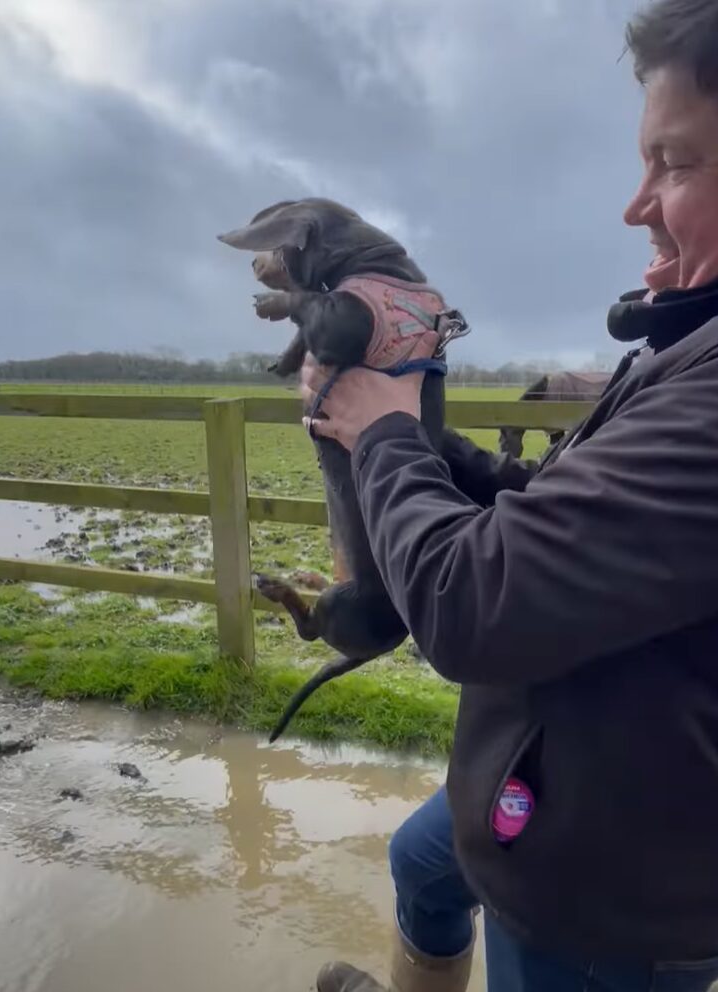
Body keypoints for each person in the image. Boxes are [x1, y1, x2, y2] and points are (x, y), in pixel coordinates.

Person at [300, 1, 718, 990]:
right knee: (421, 861)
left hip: (599, 878)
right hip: (563, 769)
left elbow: (471, 606)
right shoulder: (684, 348)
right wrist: (431, 445)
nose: (636, 203)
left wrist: (386, 431)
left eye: (676, 162)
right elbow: (571, 508)